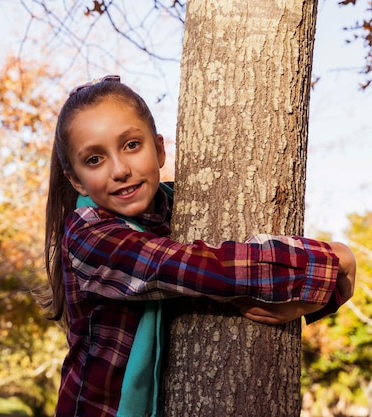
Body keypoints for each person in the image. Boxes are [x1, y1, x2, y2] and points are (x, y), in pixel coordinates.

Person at [39, 75, 357, 417]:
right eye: (94, 160)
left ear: (159, 149)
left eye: (131, 145)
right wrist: (330, 262)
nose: (120, 170)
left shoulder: (179, 205)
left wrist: (307, 300)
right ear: (75, 180)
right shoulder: (88, 234)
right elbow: (193, 268)